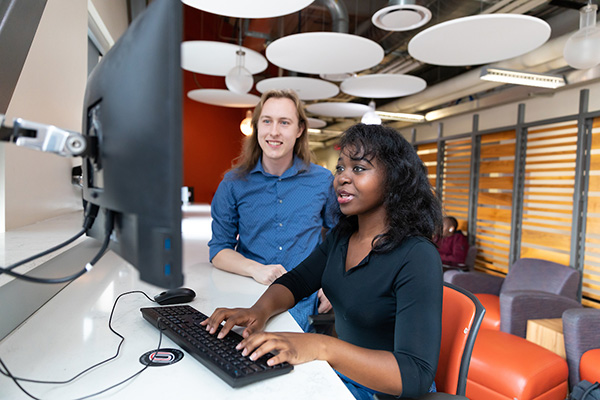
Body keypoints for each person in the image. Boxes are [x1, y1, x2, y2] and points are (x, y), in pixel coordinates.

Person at [203, 123, 444, 400]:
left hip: (386, 392)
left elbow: (414, 375)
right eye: (341, 168)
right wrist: (258, 311)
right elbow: (297, 281)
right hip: (343, 377)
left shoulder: (417, 256)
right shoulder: (343, 236)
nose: (342, 178)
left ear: (395, 179)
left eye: (359, 168)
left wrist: (321, 346)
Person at [208, 89, 339, 333]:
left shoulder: (322, 180)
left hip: (306, 300)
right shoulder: (232, 183)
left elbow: (341, 238)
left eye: (284, 122)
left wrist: (334, 282)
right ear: (257, 126)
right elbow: (219, 250)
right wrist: (256, 269)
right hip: (249, 294)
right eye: (267, 121)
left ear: (299, 130)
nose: (274, 131)